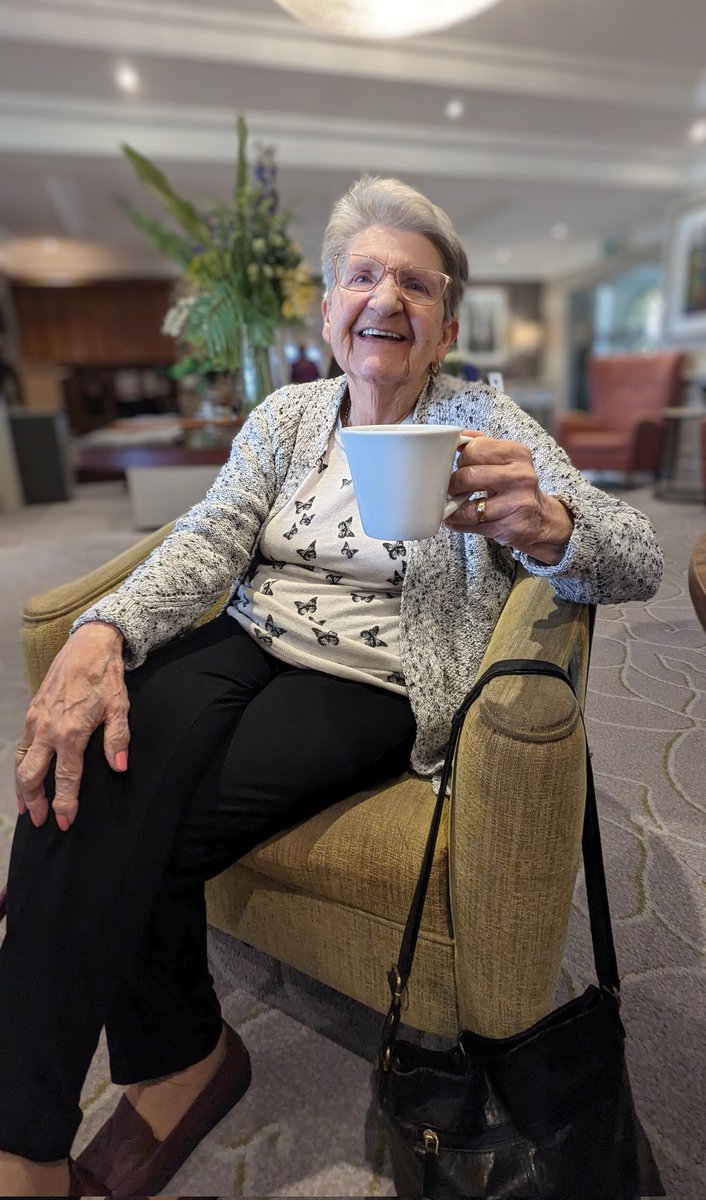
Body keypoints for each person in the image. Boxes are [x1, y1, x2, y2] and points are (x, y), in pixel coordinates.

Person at [0, 176, 663, 1197]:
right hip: (247, 632)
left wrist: (550, 527)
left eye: (415, 284)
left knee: (115, 831)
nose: (385, 298)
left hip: (376, 670)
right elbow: (211, 537)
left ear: (443, 327)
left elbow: (637, 559)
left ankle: (35, 1150)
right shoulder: (286, 413)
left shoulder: (490, 423)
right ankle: (166, 1065)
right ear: (328, 309)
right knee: (81, 771)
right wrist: (105, 626)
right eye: (362, 275)